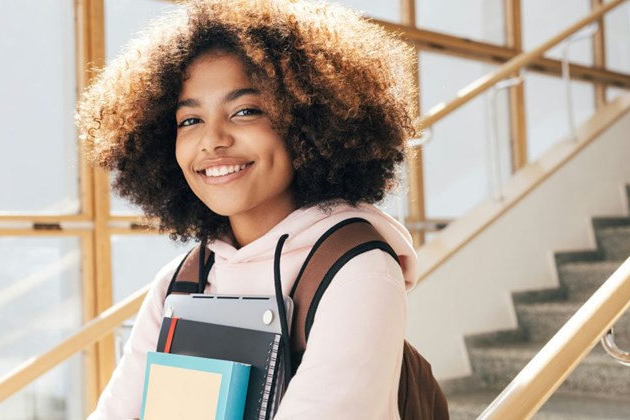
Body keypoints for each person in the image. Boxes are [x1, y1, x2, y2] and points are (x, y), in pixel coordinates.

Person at [76, 0, 419, 418]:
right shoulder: (182, 281)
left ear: (308, 124)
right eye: (190, 120)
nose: (212, 140)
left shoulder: (356, 271)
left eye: (245, 111)